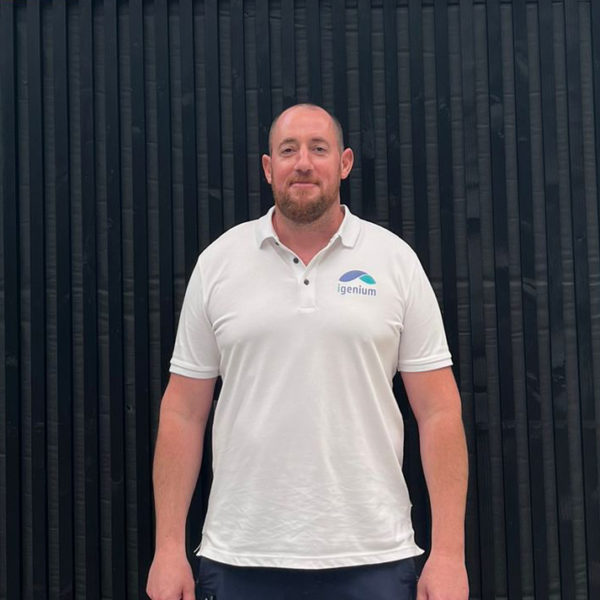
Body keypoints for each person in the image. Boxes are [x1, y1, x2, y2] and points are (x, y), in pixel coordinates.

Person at [146, 103, 469, 600]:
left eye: (318, 149)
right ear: (267, 167)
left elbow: (439, 411)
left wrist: (448, 553)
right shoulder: (220, 263)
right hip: (241, 556)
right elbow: (183, 412)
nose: (303, 163)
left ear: (344, 163)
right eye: (288, 150)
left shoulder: (394, 261)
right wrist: (168, 547)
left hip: (374, 556)